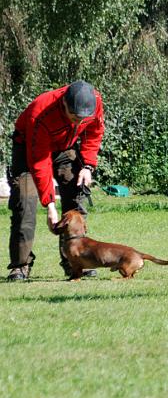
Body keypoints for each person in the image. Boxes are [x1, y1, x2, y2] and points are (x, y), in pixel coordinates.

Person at [6, 80, 105, 281]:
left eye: (82, 119)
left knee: (77, 194)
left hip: (64, 148)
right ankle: (20, 266)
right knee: (25, 202)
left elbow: (93, 133)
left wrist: (87, 166)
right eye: (74, 117)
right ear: (64, 105)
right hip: (29, 150)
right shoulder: (40, 112)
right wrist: (50, 206)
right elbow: (40, 164)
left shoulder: (94, 102)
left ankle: (75, 262)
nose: (78, 123)